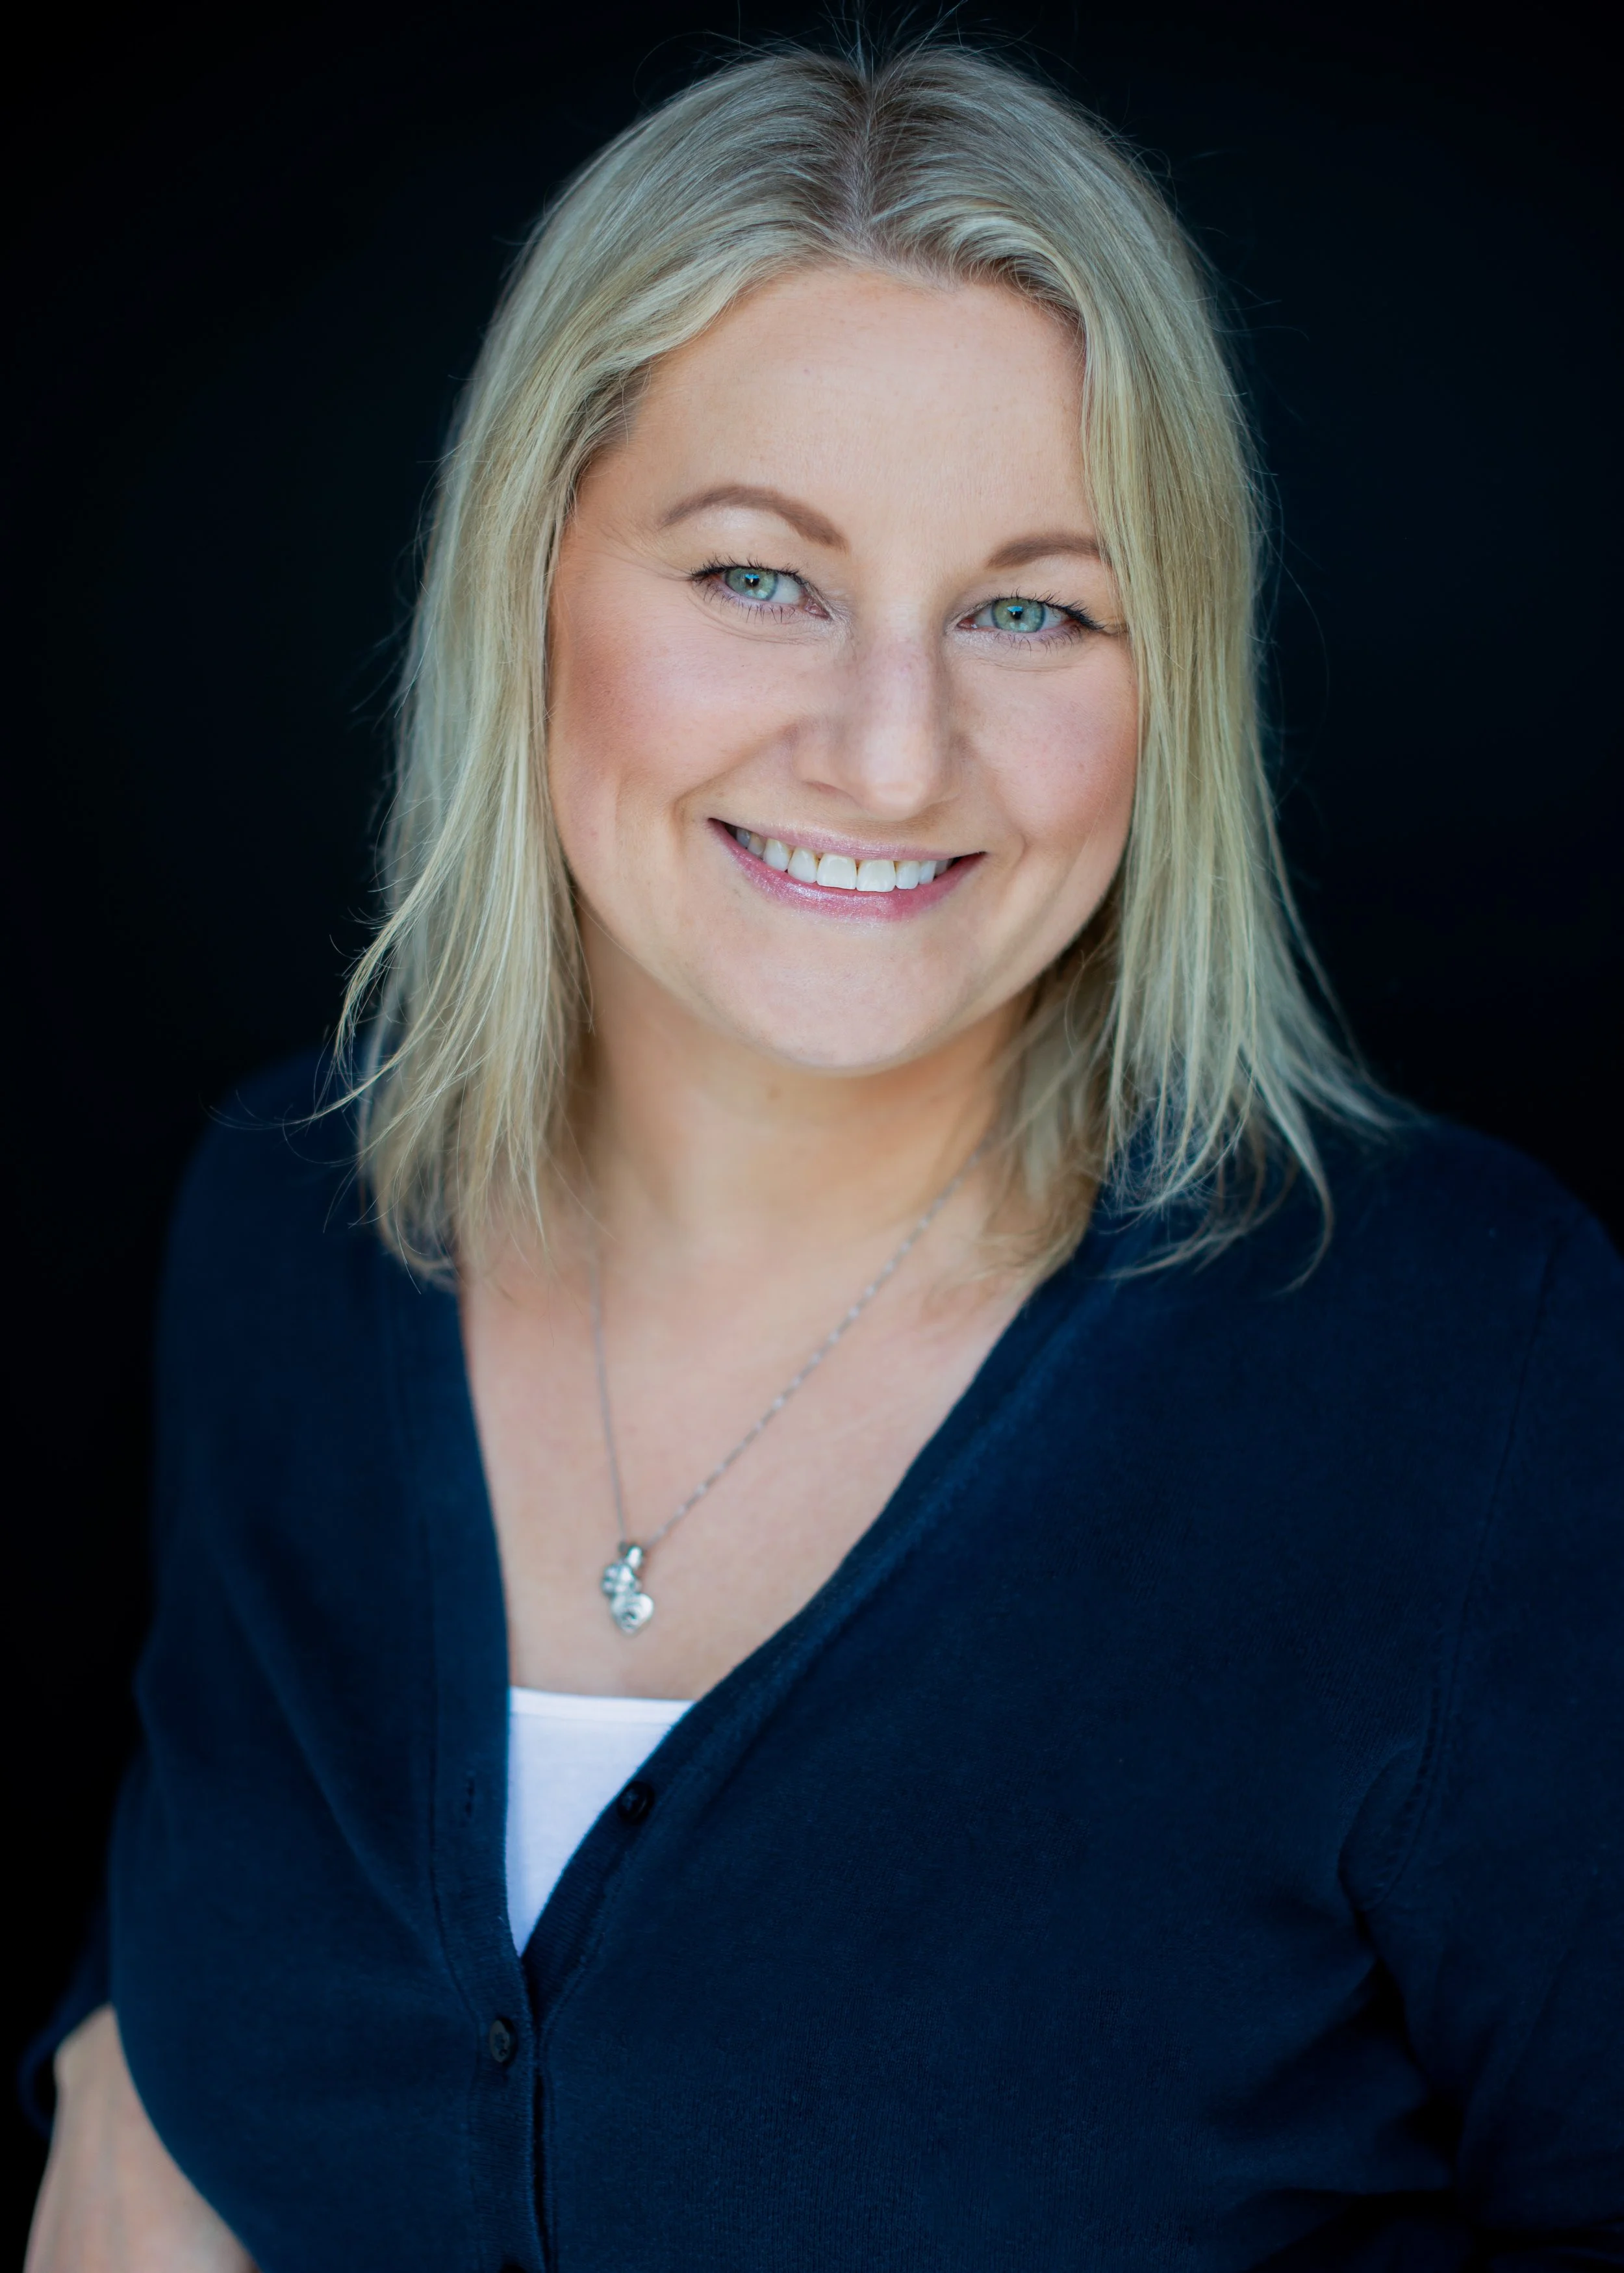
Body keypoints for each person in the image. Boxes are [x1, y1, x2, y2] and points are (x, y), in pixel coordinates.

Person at [24, 42, 1624, 2273]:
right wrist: (115, 2062)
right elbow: (218, 1955)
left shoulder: (1480, 1371)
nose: (890, 749)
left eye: (1033, 608)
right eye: (760, 579)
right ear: (533, 580)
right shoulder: (288, 1227)